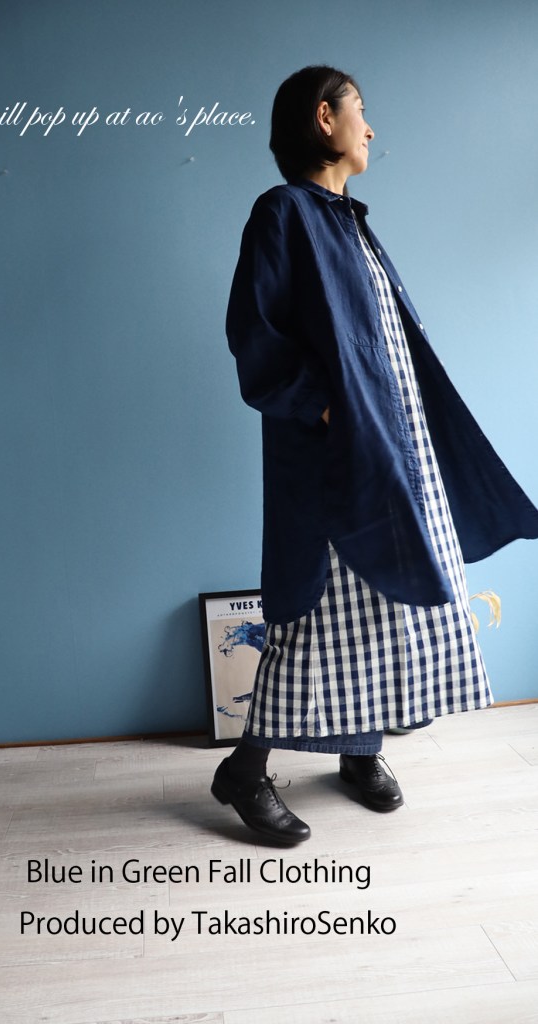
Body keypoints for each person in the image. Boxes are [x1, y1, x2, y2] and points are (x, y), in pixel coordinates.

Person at [211, 65, 538, 844]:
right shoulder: (283, 212)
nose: (372, 128)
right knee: (317, 609)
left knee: (387, 597)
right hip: (337, 450)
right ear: (324, 118)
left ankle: (359, 751)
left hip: (396, 442)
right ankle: (245, 770)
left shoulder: (351, 223)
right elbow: (255, 338)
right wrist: (329, 409)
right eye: (361, 111)